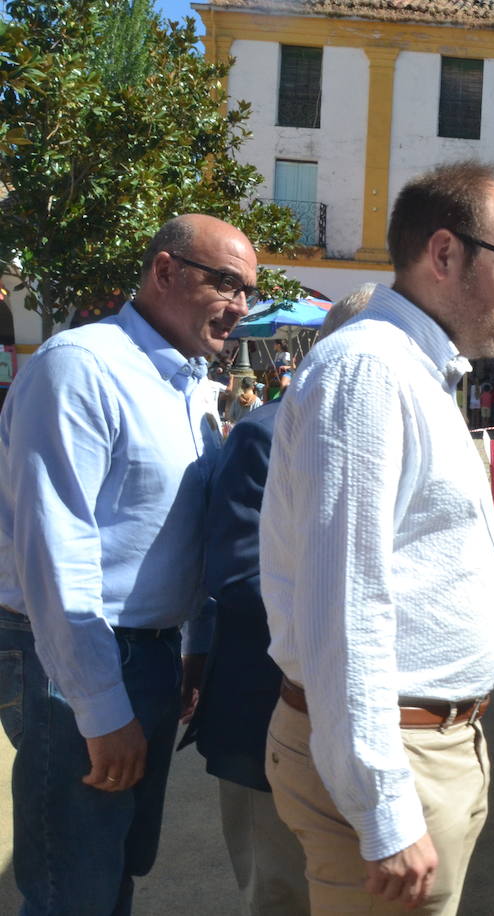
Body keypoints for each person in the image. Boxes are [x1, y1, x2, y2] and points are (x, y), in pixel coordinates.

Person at [260, 161, 494, 914]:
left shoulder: (411, 371)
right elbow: (343, 607)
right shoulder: (370, 373)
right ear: (443, 254)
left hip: (427, 745)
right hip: (398, 753)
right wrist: (383, 808)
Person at [0, 213, 257, 913]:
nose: (240, 305)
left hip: (146, 656)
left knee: (113, 871)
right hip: (73, 658)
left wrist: (191, 652)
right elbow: (55, 550)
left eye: (249, 291)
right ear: (164, 272)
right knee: (71, 888)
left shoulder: (188, 385)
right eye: (227, 283)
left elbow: (184, 532)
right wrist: (100, 704)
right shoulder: (81, 367)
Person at [180, 283, 375, 916]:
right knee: (281, 894)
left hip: (359, 730)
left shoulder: (382, 438)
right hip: (268, 718)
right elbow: (239, 580)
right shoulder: (265, 435)